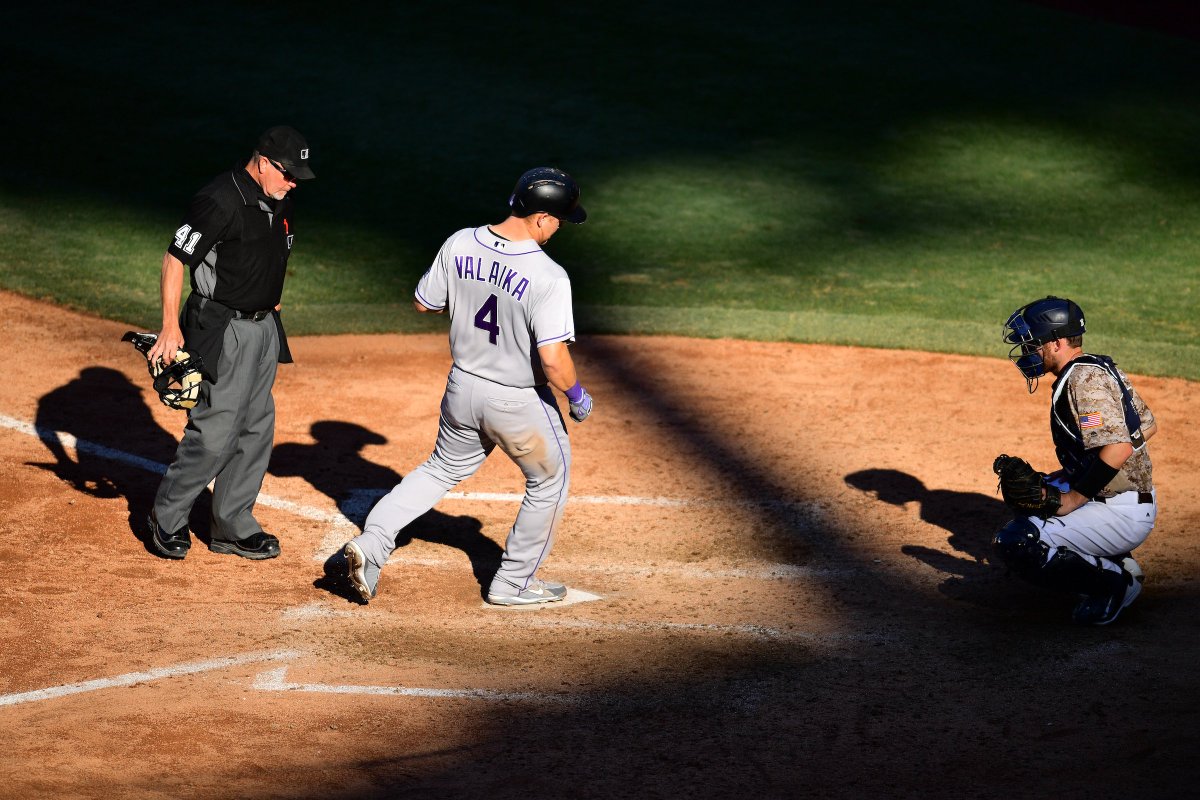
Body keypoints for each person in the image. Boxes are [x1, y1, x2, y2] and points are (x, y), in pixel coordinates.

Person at [343, 166, 593, 606]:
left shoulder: (460, 241)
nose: (558, 229)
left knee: (439, 469)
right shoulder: (549, 276)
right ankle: (513, 583)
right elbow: (554, 359)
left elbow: (425, 303)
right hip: (516, 401)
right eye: (558, 220)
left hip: (462, 389)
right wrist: (577, 397)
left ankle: (374, 542)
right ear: (540, 217)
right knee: (549, 480)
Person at [144, 126, 315, 560]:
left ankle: (231, 525)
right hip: (223, 328)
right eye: (287, 173)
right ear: (261, 161)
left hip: (263, 331)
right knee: (216, 430)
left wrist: (270, 300)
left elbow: (266, 257)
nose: (292, 181)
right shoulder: (220, 198)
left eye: (297, 176)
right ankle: (166, 517)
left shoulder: (280, 202)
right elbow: (174, 258)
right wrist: (169, 327)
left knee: (256, 428)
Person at [992, 296, 1158, 625]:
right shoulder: (1096, 367)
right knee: (1030, 495)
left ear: (1056, 342)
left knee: (1018, 542)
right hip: (1123, 496)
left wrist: (1074, 496)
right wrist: (1070, 477)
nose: (1028, 352)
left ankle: (1113, 584)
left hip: (1121, 511)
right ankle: (1115, 559)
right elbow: (1148, 424)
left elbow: (1119, 446)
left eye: (1033, 343)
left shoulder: (1083, 381)